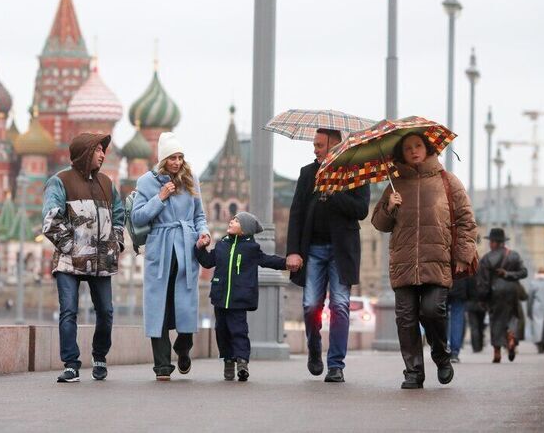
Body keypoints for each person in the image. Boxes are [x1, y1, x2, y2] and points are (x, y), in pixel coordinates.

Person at [371, 132, 477, 389]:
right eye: (408, 148)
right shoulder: (395, 185)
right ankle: (413, 372)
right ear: (401, 154)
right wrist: (389, 207)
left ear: (428, 148)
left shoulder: (448, 182)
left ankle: (441, 356)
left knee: (433, 311)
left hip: (437, 260)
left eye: (418, 146)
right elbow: (379, 224)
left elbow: (466, 220)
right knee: (406, 319)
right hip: (404, 263)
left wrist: (463, 255)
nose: (414, 151)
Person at [286, 128, 370, 383]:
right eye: (314, 144)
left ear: (335, 145)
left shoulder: (356, 172)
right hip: (313, 250)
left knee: (340, 306)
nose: (315, 149)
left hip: (341, 251)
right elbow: (296, 213)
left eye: (320, 145)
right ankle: (314, 348)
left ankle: (336, 365)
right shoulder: (307, 173)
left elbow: (361, 210)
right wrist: (293, 251)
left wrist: (334, 192)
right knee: (311, 305)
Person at [42, 133, 125, 383]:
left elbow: (120, 215)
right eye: (99, 150)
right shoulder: (59, 181)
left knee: (106, 312)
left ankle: (99, 357)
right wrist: (71, 246)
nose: (103, 155)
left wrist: (116, 242)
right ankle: (71, 364)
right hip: (69, 262)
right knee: (68, 311)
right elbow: (50, 219)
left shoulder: (107, 184)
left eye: (104, 150)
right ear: (85, 152)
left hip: (102, 261)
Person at [131, 132, 210, 380]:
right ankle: (162, 365)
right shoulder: (146, 182)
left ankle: (183, 347)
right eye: (172, 157)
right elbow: (138, 217)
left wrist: (204, 234)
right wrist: (160, 197)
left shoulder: (191, 179)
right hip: (160, 248)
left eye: (180, 157)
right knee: (159, 307)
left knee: (186, 304)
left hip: (186, 248)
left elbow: (199, 216)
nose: (177, 162)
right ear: (163, 159)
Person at [195, 212, 286, 381]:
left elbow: (267, 260)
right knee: (222, 331)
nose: (231, 221)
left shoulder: (251, 248)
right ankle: (228, 361)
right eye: (233, 219)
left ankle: (242, 362)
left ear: (244, 230)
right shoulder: (222, 244)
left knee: (239, 331)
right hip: (220, 297)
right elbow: (208, 261)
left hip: (239, 298)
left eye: (236, 221)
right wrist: (199, 248)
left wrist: (286, 263)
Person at [476, 227, 528, 363]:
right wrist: (509, 274)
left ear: (493, 242)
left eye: (490, 241)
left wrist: (482, 298)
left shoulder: (486, 259)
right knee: (513, 317)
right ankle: (511, 337)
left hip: (495, 291)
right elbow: (524, 272)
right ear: (503, 242)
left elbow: (483, 282)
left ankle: (497, 352)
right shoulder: (514, 255)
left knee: (496, 320)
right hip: (513, 289)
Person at [446, 278, 469, 363]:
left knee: (442, 317)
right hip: (460, 284)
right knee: (457, 318)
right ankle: (455, 352)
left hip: (442, 284)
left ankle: (444, 347)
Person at [465, 273, 487, 353]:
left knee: (474, 326)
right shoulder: (483, 276)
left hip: (471, 304)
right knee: (480, 326)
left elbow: (466, 290)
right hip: (482, 305)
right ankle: (480, 345)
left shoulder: (469, 277)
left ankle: (475, 347)